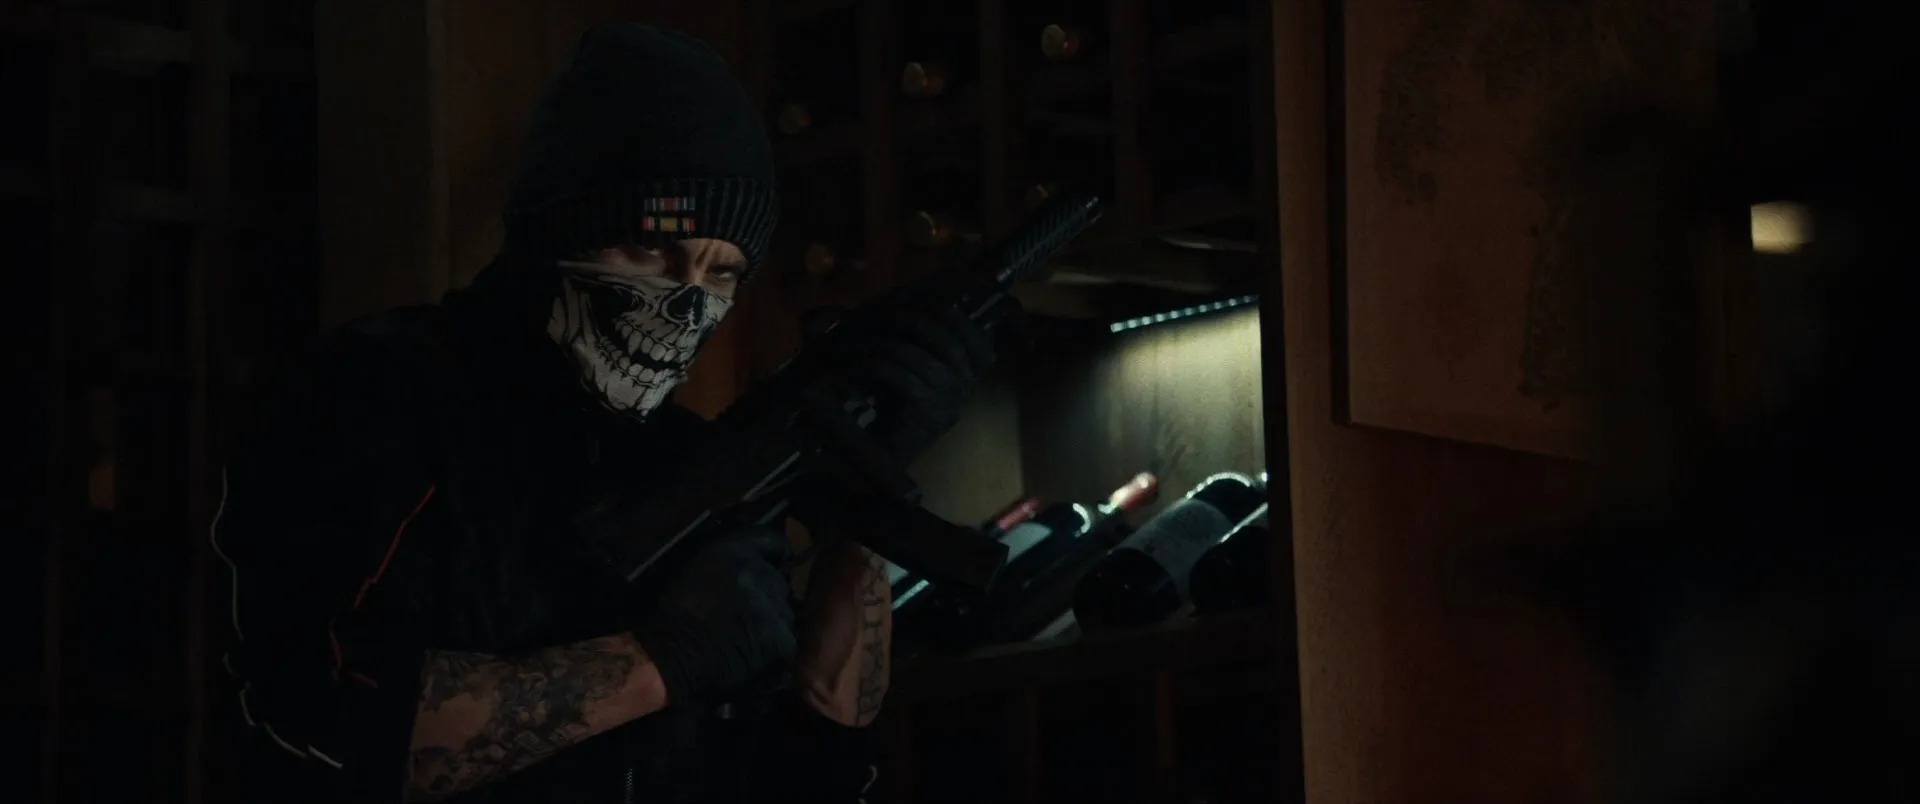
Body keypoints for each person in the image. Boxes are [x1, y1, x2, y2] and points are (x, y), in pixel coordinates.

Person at [212, 23, 993, 803]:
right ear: (560, 228)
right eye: (653, 248)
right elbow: (326, 723)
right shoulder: (375, 395)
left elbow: (822, 743)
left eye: (722, 272)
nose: (688, 301)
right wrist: (660, 661)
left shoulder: (687, 456)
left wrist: (869, 488)